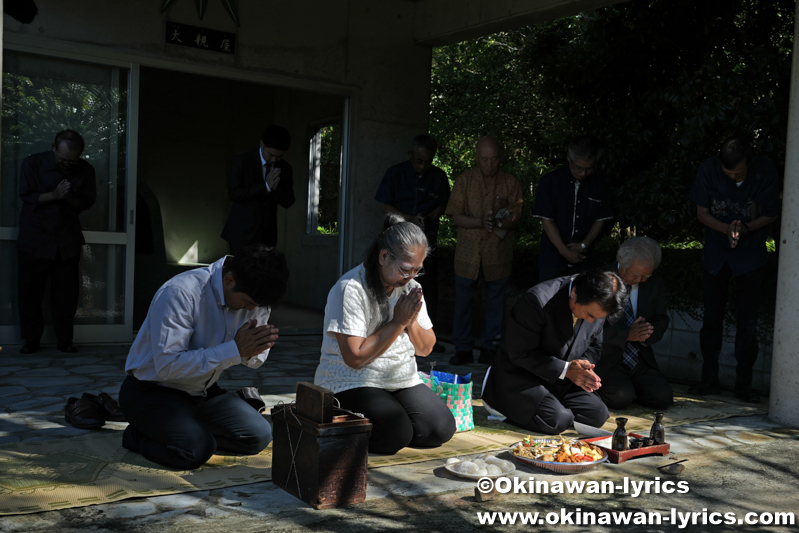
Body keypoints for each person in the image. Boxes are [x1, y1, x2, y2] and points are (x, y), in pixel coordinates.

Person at [119, 245, 289, 469]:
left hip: (202, 390)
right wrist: (235, 349)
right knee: (195, 451)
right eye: (247, 302)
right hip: (151, 390)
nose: (250, 309)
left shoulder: (255, 297)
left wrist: (253, 349)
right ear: (229, 280)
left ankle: (186, 432)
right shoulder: (181, 292)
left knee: (258, 436)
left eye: (256, 306)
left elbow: (254, 361)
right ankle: (137, 435)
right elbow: (168, 367)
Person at [314, 214, 456, 454]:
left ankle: (383, 424)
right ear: (383, 256)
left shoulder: (412, 287)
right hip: (352, 380)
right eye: (405, 270)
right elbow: (354, 357)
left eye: (417, 271)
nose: (410, 277)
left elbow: (425, 348)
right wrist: (398, 321)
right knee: (394, 434)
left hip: (400, 377)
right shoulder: (351, 288)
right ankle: (342, 419)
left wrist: (409, 321)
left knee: (440, 429)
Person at [688, 135, 780, 403]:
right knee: (711, 318)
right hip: (716, 253)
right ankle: (709, 379)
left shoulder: (764, 169)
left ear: (748, 163)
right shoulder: (709, 169)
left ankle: (744, 383)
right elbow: (701, 212)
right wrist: (726, 228)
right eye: (728, 172)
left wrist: (746, 229)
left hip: (750, 255)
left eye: (738, 172)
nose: (732, 176)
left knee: (747, 322)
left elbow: (772, 211)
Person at [482, 269, 627, 435]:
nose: (592, 321)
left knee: (597, 415)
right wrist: (565, 369)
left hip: (562, 378)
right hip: (521, 375)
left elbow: (595, 346)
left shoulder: (597, 307)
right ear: (574, 293)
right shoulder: (538, 300)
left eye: (598, 318)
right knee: (557, 421)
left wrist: (583, 366)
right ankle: (502, 409)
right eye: (589, 314)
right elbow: (520, 353)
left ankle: (553, 407)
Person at [445, 136, 523, 365]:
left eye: (494, 159)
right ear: (477, 158)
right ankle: (462, 349)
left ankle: (490, 348)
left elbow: (516, 214)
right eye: (484, 159)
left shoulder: (510, 182)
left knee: (496, 302)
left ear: (500, 158)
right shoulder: (464, 180)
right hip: (468, 252)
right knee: (463, 302)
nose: (489, 164)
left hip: (497, 251)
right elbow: (454, 215)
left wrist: (504, 221)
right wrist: (479, 221)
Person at [17, 129, 96, 354]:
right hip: (35, 238)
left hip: (66, 240)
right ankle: (31, 340)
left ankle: (65, 340)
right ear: (53, 147)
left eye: (73, 161)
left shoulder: (85, 170)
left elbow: (86, 203)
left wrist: (70, 196)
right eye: (63, 160)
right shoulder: (33, 163)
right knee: (30, 292)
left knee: (66, 294)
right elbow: (27, 196)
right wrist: (54, 195)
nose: (67, 165)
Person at [374, 134, 450, 351]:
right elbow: (383, 205)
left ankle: (425, 336)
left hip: (428, 241)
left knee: (427, 287)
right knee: (394, 283)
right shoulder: (395, 173)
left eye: (427, 161)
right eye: (418, 161)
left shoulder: (439, 177)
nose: (423, 166)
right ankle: (387, 331)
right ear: (410, 155)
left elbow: (446, 204)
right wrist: (408, 219)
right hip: (398, 240)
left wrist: (433, 214)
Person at [595, 237, 672, 410]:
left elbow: (662, 318)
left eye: (647, 275)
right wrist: (626, 334)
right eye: (636, 275)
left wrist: (647, 332)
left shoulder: (654, 283)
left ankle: (631, 389)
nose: (642, 280)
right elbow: (588, 327)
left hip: (639, 356)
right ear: (621, 261)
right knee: (620, 398)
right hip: (607, 357)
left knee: (663, 398)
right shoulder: (600, 280)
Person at [533, 135, 613, 282]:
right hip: (552, 258)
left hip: (584, 257)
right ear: (569, 157)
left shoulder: (600, 184)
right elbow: (546, 219)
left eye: (589, 169)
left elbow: (600, 219)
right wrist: (564, 251)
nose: (583, 173)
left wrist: (584, 245)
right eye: (578, 168)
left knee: (584, 300)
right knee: (550, 300)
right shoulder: (550, 181)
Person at [221, 125, 295, 253]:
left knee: (263, 272)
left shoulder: (285, 168)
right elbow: (234, 193)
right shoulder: (242, 161)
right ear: (261, 143)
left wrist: (275, 188)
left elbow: (288, 201)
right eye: (270, 155)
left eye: (279, 157)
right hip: (241, 233)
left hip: (267, 236)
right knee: (240, 271)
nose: (274, 160)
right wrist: (265, 186)